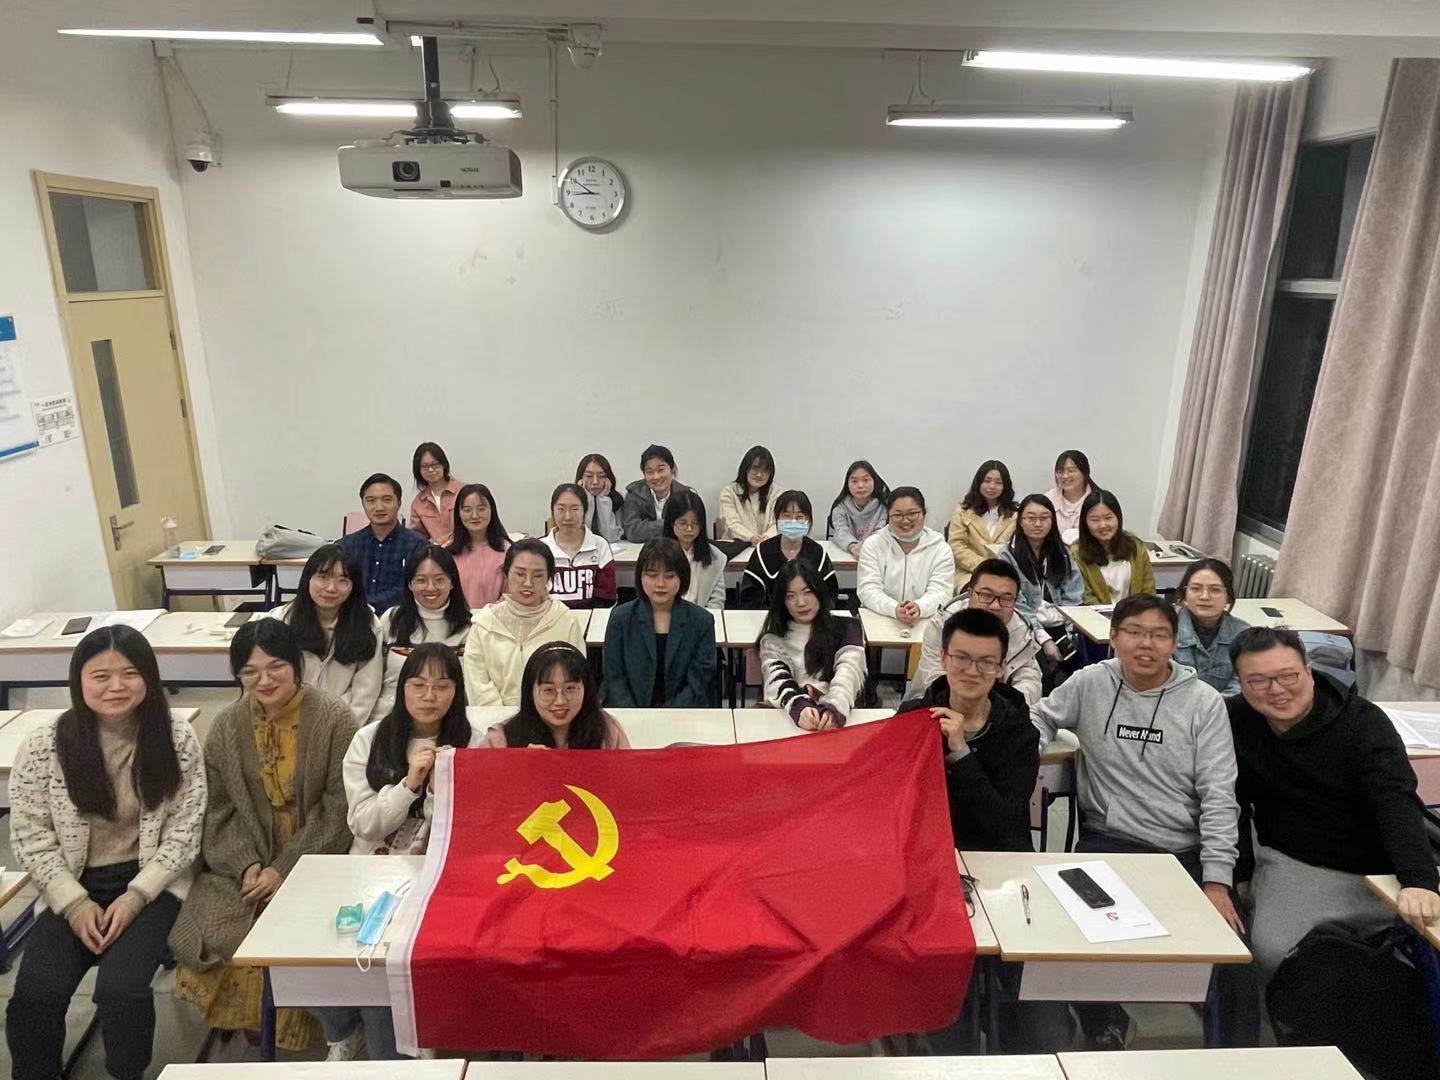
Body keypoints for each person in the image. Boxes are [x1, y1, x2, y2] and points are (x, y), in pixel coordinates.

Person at [1030, 594, 1244, 1049]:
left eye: (1159, 635)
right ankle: (1104, 1023)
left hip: (1182, 852)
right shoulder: (1091, 682)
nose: (1146, 644)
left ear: (1175, 643)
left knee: (1234, 958)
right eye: (1135, 632)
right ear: (1114, 637)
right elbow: (1041, 715)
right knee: (1070, 936)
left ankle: (1237, 1056)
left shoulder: (1204, 703)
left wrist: (1217, 882)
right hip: (1108, 842)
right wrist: (1028, 751)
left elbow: (1220, 796)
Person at [7, 627, 205, 1080]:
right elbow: (31, 836)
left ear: (149, 677)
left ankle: (126, 1072)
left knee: (122, 990)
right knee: (35, 996)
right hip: (71, 884)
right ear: (78, 680)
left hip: (152, 883)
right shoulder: (44, 744)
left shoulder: (175, 736)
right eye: (100, 676)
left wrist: (136, 897)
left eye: (129, 673)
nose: (116, 686)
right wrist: (74, 904)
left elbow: (185, 829)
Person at [171, 618, 355, 1052]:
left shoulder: (334, 718)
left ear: (296, 665)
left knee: (300, 932)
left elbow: (338, 807)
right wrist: (247, 865)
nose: (265, 680)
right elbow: (219, 809)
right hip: (249, 854)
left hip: (316, 852)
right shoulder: (226, 725)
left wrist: (284, 868)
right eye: (250, 672)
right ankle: (252, 1016)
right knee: (219, 926)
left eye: (276, 667)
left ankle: (313, 1024)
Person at [898, 609, 1074, 1056]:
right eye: (961, 658)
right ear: (943, 658)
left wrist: (960, 752)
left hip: (1004, 870)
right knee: (949, 1032)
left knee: (1044, 1034)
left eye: (985, 662)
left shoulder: (1019, 732)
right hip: (931, 871)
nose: (972, 671)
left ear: (1001, 668)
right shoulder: (913, 719)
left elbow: (1001, 821)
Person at [1227, 627, 1440, 978]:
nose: (1276, 690)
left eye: (1288, 675)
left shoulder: (1364, 724)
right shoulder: (1235, 719)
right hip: (1295, 857)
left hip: (1377, 864)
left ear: (1309, 671)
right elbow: (1231, 803)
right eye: (1258, 681)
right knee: (1275, 953)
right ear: (1241, 684)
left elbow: (1395, 803)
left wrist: (1419, 880)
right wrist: (1240, 876)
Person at [327, 644, 483, 1060]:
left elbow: (470, 831)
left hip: (443, 874)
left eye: (442, 685)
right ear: (402, 688)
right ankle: (352, 1031)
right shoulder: (369, 740)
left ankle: (421, 1035)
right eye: (418, 685)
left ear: (457, 691)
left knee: (421, 954)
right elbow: (363, 825)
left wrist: (437, 795)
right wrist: (409, 786)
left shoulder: (475, 743)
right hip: (374, 870)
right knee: (345, 954)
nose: (429, 696)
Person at [461, 539, 586, 706]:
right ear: (506, 575)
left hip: (552, 714)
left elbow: (575, 680)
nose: (528, 583)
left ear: (549, 578)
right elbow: (477, 684)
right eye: (520, 574)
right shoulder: (484, 624)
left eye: (538, 575)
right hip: (494, 717)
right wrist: (501, 717)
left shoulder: (565, 621)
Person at [906, 559, 1045, 705]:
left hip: (998, 710)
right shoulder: (943, 623)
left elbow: (1030, 681)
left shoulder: (1021, 631)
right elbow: (933, 677)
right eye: (986, 595)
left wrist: (1000, 708)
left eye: (1006, 599)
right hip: (934, 705)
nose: (995, 606)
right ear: (970, 594)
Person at [274, 544, 384, 724]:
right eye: (323, 577)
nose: (331, 588)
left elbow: (365, 692)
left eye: (343, 580)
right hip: (288, 719)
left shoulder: (369, 625)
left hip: (343, 722)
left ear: (353, 586)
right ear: (308, 578)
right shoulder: (281, 621)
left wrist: (340, 729)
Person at [603, 538, 717, 707]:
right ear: (640, 576)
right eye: (652, 575)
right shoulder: (621, 618)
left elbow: (698, 682)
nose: (661, 584)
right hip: (630, 715)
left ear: (682, 577)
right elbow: (614, 678)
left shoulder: (701, 621)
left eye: (669, 576)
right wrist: (634, 716)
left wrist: (668, 715)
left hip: (684, 714)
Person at [757, 561, 866, 729]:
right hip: (790, 720)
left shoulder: (848, 629)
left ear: (819, 592)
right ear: (782, 601)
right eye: (790, 596)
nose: (801, 602)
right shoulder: (773, 639)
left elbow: (849, 672)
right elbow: (777, 680)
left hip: (841, 717)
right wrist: (799, 707)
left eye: (808, 592)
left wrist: (834, 708)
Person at [373, 545, 471, 721]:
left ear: (452, 582)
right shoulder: (391, 619)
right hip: (390, 716)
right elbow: (372, 679)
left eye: (439, 580)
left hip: (449, 719)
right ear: (409, 584)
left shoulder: (469, 627)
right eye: (421, 580)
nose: (430, 587)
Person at [485, 643, 630, 748]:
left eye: (570, 688)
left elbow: (627, 778)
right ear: (530, 692)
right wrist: (521, 765)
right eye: (548, 690)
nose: (560, 701)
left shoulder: (608, 732)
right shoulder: (500, 739)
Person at [856, 487, 954, 628]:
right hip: (880, 617)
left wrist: (919, 607)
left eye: (912, 514)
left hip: (925, 620)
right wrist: (894, 608)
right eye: (897, 515)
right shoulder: (874, 544)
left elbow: (942, 592)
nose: (905, 520)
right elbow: (868, 589)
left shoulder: (940, 548)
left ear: (924, 513)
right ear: (888, 516)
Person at [338, 473, 428, 614]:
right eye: (371, 501)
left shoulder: (418, 546)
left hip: (400, 619)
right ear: (363, 504)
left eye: (387, 500)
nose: (379, 507)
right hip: (354, 618)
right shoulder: (346, 545)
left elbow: (418, 588)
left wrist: (369, 604)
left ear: (399, 503)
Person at [1000, 494, 1083, 643]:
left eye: (1044, 518)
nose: (1038, 524)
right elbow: (1017, 605)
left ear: (1052, 521)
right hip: (1025, 628)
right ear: (1020, 521)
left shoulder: (1063, 553)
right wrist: (1043, 639)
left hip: (1062, 625)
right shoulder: (1007, 556)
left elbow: (1074, 598)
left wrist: (1070, 634)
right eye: (1031, 518)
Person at [737, 490, 839, 609]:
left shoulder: (817, 552)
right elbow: (750, 597)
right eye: (787, 516)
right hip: (769, 616)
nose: (793, 521)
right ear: (777, 519)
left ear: (809, 521)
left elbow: (829, 596)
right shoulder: (763, 551)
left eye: (799, 517)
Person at [1174, 559, 1247, 695]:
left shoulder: (1242, 634)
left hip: (1225, 706)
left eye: (1215, 590)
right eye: (1196, 589)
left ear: (1229, 596)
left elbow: (1241, 684)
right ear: (1184, 593)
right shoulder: (1167, 627)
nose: (1205, 597)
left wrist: (1213, 706)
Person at [947, 459, 1018, 593]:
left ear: (1005, 486)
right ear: (979, 482)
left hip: (1005, 573)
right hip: (969, 573)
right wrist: (984, 566)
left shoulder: (1015, 515)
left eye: (998, 482)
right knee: (979, 593)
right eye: (987, 481)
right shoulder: (963, 511)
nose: (992, 486)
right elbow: (956, 546)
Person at [1073, 490, 1156, 605]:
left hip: (1135, 613)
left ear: (1118, 517)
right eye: (1095, 520)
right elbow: (1086, 597)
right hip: (1096, 615)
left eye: (1108, 518)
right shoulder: (1076, 553)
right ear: (1085, 523)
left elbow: (1148, 589)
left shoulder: (1136, 546)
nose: (1103, 525)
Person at [543, 483, 618, 609]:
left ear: (585, 511)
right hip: (550, 618)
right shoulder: (541, 549)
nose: (568, 516)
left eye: (575, 509)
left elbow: (606, 598)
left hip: (591, 617)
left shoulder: (599, 545)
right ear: (552, 511)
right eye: (561, 509)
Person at [446, 482, 511, 610]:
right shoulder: (447, 552)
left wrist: (487, 616)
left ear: (492, 510)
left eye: (481, 509)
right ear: (458, 513)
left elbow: (510, 594)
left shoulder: (508, 551)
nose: (474, 515)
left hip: (496, 618)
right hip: (458, 619)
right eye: (467, 510)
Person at [663, 489, 727, 611]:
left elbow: (717, 601)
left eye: (695, 523)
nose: (689, 529)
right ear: (671, 523)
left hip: (702, 617)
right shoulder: (657, 555)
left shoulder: (716, 557)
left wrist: (702, 619)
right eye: (682, 523)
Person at [622, 444, 694, 542]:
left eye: (661, 470)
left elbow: (690, 530)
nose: (656, 476)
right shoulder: (634, 494)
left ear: (672, 469)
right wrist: (669, 523)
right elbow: (632, 532)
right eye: (650, 472)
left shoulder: (685, 496)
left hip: (675, 549)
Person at [827, 460, 889, 558]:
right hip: (847, 553)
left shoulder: (883, 507)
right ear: (847, 483)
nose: (860, 485)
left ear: (874, 481)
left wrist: (865, 548)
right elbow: (840, 532)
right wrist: (853, 547)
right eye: (854, 481)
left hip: (875, 553)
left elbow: (880, 533)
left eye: (866, 480)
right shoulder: (840, 507)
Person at [718, 445, 778, 544]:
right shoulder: (729, 492)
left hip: (767, 545)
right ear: (745, 469)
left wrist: (766, 538)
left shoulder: (776, 493)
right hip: (737, 545)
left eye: (764, 471)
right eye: (755, 469)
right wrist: (750, 538)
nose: (759, 474)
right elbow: (731, 523)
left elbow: (778, 523)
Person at [407, 442, 463, 546]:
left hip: (464, 549)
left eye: (435, 465)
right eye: (425, 466)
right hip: (437, 553)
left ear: (444, 465)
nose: (430, 470)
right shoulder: (418, 503)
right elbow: (416, 537)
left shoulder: (463, 492)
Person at [1044, 450, 1096, 546]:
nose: (1065, 476)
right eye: (1060, 471)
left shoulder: (1099, 500)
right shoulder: (1048, 500)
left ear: (1085, 472)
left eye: (1071, 471)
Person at [575, 453, 625, 544]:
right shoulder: (571, 501)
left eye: (601, 476)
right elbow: (582, 538)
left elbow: (611, 538)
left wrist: (602, 500)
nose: (595, 482)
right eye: (589, 476)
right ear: (580, 478)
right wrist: (587, 500)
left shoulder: (617, 500)